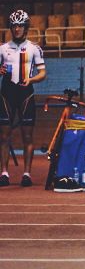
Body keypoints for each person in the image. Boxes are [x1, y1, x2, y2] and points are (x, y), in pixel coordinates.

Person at [0, 10, 47, 188]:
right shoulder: (3, 48)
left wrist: (31, 79)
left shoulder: (35, 48)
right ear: (11, 28)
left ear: (26, 27)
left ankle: (26, 174)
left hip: (26, 93)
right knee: (4, 135)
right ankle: (4, 173)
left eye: (20, 25)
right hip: (6, 93)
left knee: (27, 135)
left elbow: (42, 73)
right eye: (14, 26)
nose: (17, 29)